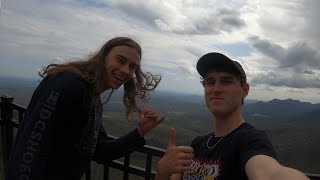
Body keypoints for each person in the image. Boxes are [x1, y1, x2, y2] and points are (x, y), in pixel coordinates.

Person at [5, 37, 165, 180]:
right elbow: (29, 149)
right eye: (120, 60)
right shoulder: (68, 84)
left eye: (132, 67)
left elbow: (100, 151)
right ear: (103, 57)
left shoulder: (94, 101)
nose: (125, 70)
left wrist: (140, 132)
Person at [156, 52, 309, 180]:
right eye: (210, 82)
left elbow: (270, 172)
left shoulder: (250, 141)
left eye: (226, 81)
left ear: (244, 90)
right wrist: (163, 170)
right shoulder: (197, 144)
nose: (216, 89)